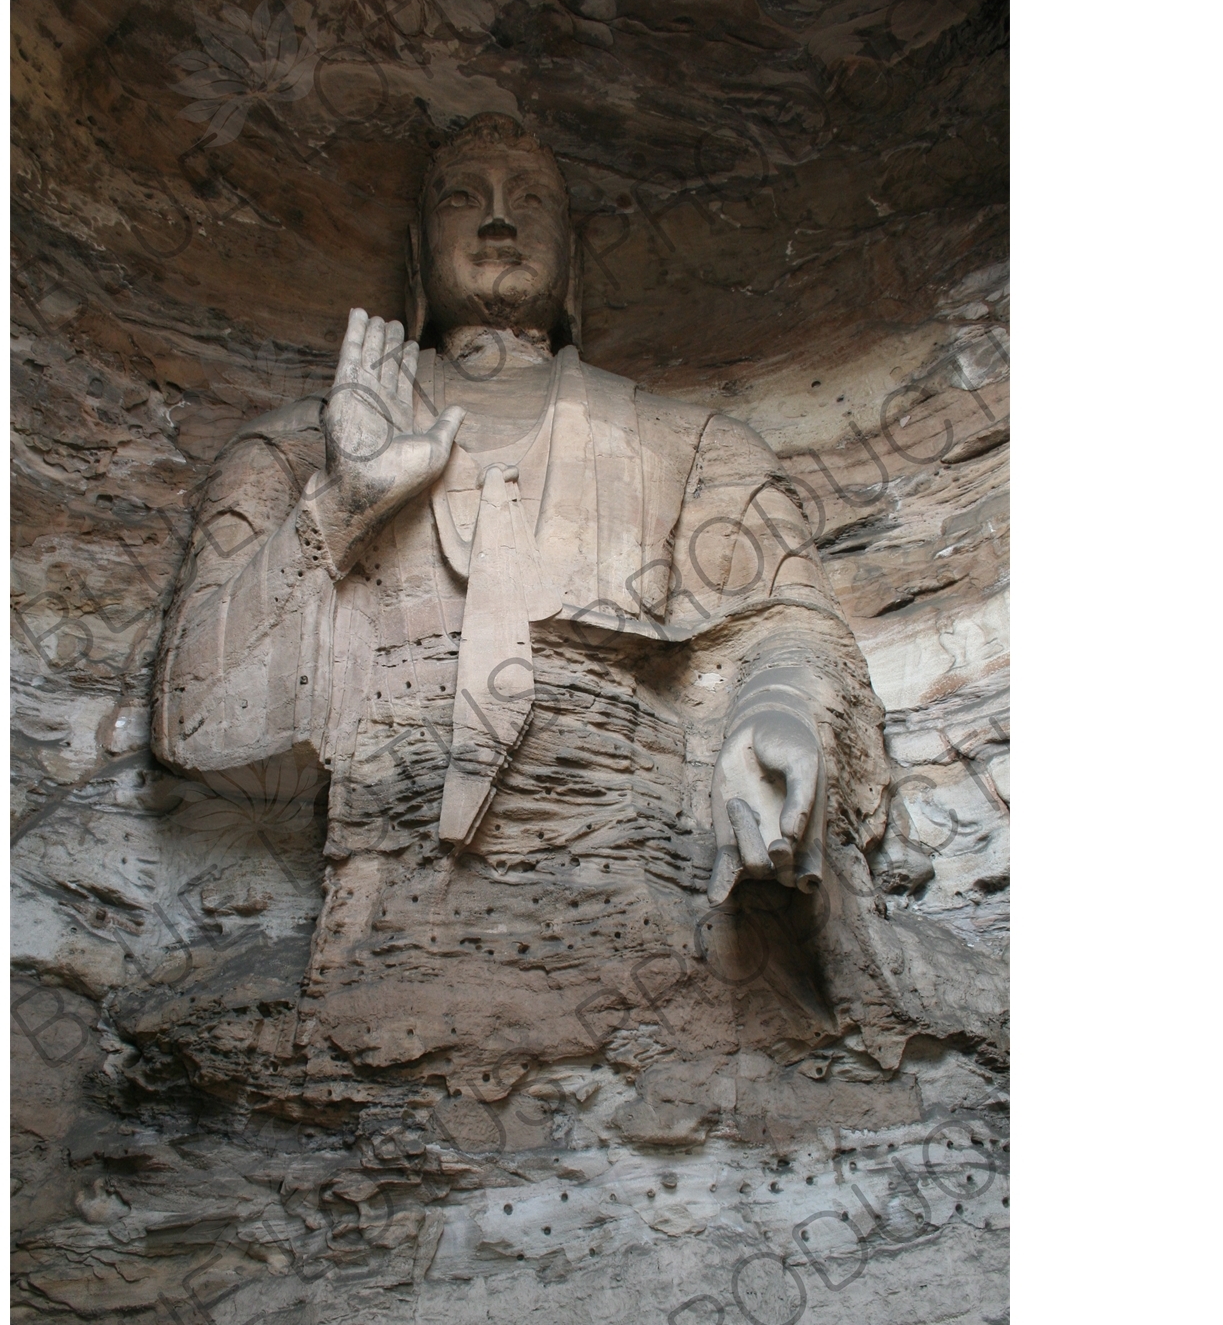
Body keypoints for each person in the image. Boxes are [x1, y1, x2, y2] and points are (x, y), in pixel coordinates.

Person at [151, 114, 892, 1088]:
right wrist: (341, 506)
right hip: (379, 966)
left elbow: (788, 631)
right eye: (464, 197)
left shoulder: (691, 446)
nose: (499, 222)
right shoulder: (293, 453)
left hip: (652, 963)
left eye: (529, 200)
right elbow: (193, 718)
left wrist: (778, 713)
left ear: (573, 264)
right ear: (417, 258)